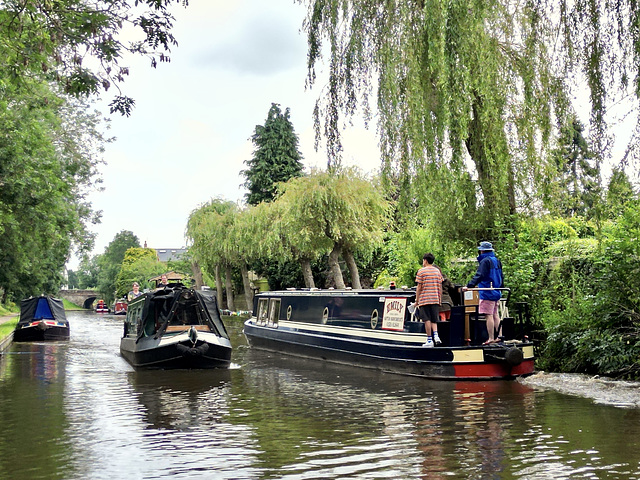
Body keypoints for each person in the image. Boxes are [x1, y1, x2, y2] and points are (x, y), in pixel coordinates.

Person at [463, 241, 504, 344]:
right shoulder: (497, 261)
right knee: (495, 314)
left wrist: (469, 286)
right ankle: (500, 336)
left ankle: (490, 338)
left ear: (482, 250)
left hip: (487, 292)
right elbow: (501, 276)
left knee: (488, 315)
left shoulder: (485, 261)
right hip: (496, 291)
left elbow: (480, 275)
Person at [415, 252, 444, 347]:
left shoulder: (421, 271)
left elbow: (419, 287)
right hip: (435, 298)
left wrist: (417, 300)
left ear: (425, 261)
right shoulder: (437, 271)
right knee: (434, 319)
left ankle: (429, 340)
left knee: (427, 319)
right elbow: (440, 286)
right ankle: (436, 336)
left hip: (425, 299)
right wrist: (439, 299)